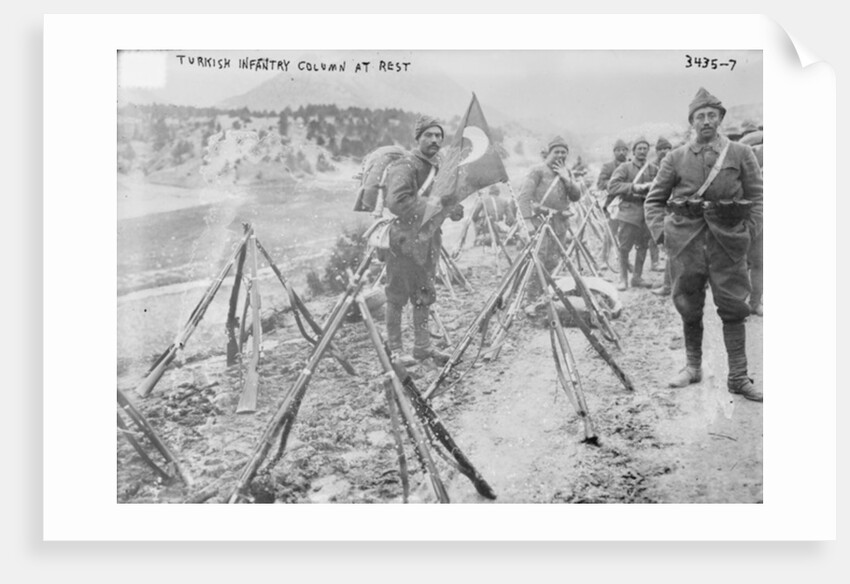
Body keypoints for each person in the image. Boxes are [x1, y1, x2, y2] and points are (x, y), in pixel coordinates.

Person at [644, 87, 763, 402]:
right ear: (692, 122)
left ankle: (738, 376)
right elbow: (653, 202)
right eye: (700, 116)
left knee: (735, 308)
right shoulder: (675, 157)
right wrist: (663, 235)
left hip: (728, 243)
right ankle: (693, 366)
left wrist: (749, 232)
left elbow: (759, 197)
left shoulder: (741, 153)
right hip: (687, 245)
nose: (706, 121)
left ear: (720, 119)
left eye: (712, 115)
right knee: (688, 306)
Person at [383, 115, 463, 366]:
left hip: (429, 241)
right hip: (404, 240)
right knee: (396, 295)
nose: (435, 140)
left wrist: (453, 209)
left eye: (439, 136)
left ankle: (423, 346)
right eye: (429, 135)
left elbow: (442, 201)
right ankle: (395, 350)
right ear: (417, 138)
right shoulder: (405, 165)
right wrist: (431, 204)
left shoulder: (440, 167)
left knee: (425, 294)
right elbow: (396, 202)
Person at [517, 136, 582, 299]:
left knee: (553, 260)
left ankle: (542, 294)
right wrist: (527, 222)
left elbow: (575, 197)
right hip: (540, 221)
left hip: (560, 223)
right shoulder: (537, 170)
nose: (560, 155)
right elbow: (524, 197)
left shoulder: (567, 172)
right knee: (538, 259)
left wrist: (567, 178)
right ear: (549, 153)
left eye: (563, 152)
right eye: (556, 152)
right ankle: (530, 298)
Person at [607, 136, 658, 290]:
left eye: (645, 148)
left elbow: (662, 187)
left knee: (643, 246)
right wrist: (635, 187)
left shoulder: (654, 169)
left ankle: (637, 277)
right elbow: (612, 186)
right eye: (639, 148)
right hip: (629, 211)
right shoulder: (625, 168)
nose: (642, 151)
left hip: (646, 212)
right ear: (634, 151)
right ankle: (623, 279)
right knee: (624, 247)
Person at [739, 125, 763, 316]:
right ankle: (740, 303)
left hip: (762, 218)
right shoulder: (739, 158)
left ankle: (755, 302)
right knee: (740, 263)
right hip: (744, 218)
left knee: (760, 263)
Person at [597, 139, 630, 267]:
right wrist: (615, 185)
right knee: (610, 232)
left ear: (627, 151)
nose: (621, 152)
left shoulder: (631, 165)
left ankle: (625, 261)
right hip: (612, 204)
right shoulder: (608, 166)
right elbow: (600, 183)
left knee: (627, 235)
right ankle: (604, 260)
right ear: (614, 152)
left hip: (628, 203)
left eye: (623, 150)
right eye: (618, 150)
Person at [650, 136, 675, 296]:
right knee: (670, 249)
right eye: (661, 149)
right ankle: (667, 285)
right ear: (657, 152)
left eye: (667, 148)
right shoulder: (652, 167)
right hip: (662, 208)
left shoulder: (677, 163)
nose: (664, 152)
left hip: (676, 207)